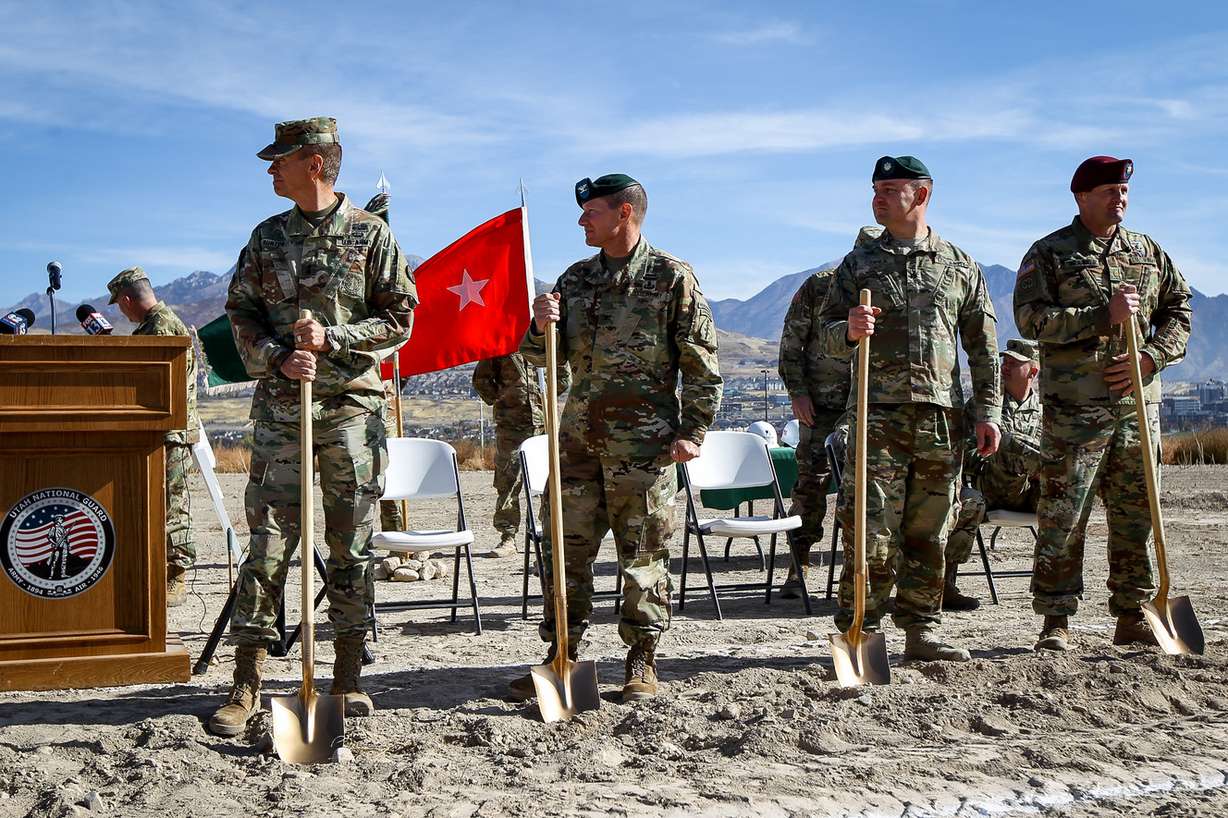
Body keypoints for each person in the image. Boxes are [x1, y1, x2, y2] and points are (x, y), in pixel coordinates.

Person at [210, 117, 417, 736]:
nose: (271, 169)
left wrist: (334, 340)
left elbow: (401, 317)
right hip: (280, 411)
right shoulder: (266, 237)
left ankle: (348, 675)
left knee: (350, 547)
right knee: (269, 545)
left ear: (317, 164)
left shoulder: (371, 236)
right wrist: (277, 355)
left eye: (282, 159)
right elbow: (239, 313)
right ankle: (247, 679)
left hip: (351, 412)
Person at [510, 173, 722, 702]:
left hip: (645, 446)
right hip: (579, 442)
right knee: (565, 554)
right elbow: (540, 359)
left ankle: (641, 660)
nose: (583, 220)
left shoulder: (672, 278)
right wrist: (540, 327)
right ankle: (562, 653)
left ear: (624, 213)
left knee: (643, 556)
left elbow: (701, 364)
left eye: (593, 212)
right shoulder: (576, 280)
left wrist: (693, 431)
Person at [818, 155, 1001, 662]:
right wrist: (848, 330)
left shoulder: (961, 266)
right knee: (869, 528)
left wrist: (989, 413)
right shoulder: (857, 265)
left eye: (890, 188)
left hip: (941, 418)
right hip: (876, 418)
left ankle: (922, 630)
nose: (877, 196)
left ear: (921, 195)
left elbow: (983, 348)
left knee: (931, 529)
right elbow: (825, 337)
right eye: (875, 187)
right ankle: (861, 629)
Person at [1014, 156, 1192, 652]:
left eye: (1124, 192)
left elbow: (1180, 309)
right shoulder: (1051, 252)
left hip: (1137, 408)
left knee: (1138, 513)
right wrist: (1099, 316)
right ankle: (1056, 618)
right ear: (1082, 197)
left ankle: (1134, 614)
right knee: (1064, 514)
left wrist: (1153, 358)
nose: (1121, 199)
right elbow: (1030, 320)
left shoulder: (1147, 251)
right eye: (1110, 191)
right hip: (1075, 411)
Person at [776, 226, 880, 598]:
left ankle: (863, 573)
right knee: (811, 482)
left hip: (871, 405)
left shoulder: (895, 293)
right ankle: (797, 564)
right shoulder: (820, 288)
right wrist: (798, 393)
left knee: (872, 486)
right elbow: (791, 345)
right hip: (821, 404)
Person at [108, 266, 201, 607]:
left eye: (119, 304)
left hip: (168, 432)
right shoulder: (153, 326)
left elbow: (155, 384)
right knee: (155, 504)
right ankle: (158, 570)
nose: (122, 311)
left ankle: (176, 574)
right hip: (158, 431)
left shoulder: (161, 327)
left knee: (170, 506)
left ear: (128, 299)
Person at [943, 339, 1043, 610]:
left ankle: (1049, 586)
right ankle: (945, 585)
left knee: (1060, 494)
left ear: (1032, 372)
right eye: (1004, 361)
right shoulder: (985, 405)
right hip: (988, 483)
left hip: (1024, 490)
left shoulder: (1043, 410)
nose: (1005, 367)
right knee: (1008, 443)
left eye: (1014, 363)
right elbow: (967, 448)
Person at [472, 353, 569, 558]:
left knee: (549, 482)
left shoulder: (547, 342)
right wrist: (503, 397)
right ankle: (508, 537)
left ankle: (548, 535)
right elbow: (481, 379)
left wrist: (546, 396)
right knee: (508, 481)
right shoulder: (502, 346)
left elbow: (563, 377)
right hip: (511, 425)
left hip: (545, 422)